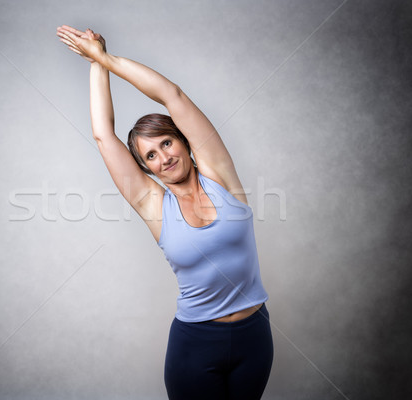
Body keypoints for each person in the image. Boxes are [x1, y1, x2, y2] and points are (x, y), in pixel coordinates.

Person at [56, 25, 273, 400]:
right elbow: (103, 136)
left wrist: (107, 57)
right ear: (145, 168)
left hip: (255, 338)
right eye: (150, 156)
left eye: (167, 142)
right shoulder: (153, 205)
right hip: (196, 346)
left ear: (185, 142)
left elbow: (172, 95)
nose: (165, 157)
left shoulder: (220, 176)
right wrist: (96, 64)